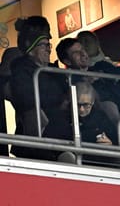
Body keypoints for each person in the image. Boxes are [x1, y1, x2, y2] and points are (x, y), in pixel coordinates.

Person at [9, 16, 71, 160]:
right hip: (39, 139)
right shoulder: (20, 68)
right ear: (31, 50)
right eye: (44, 45)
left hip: (61, 131)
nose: (49, 49)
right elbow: (26, 98)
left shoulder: (55, 72)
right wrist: (58, 102)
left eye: (49, 45)